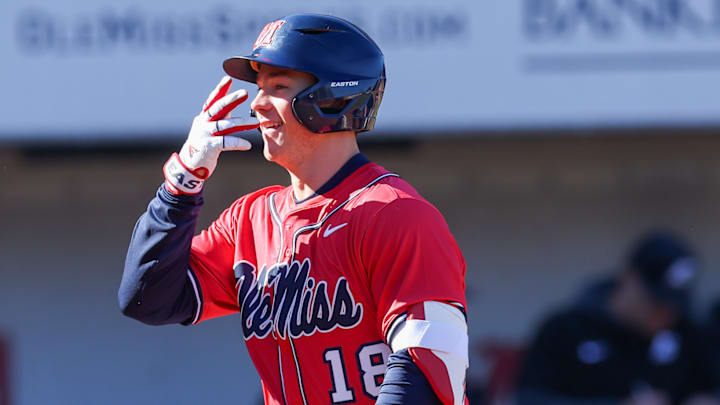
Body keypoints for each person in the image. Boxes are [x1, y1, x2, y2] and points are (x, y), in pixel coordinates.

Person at [118, 14, 469, 405]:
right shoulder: (248, 221)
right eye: (259, 87)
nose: (257, 103)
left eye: (278, 86)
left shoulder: (395, 214)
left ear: (333, 97)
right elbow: (146, 299)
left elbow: (429, 363)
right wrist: (181, 182)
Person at [515, 231, 720, 405]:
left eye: (674, 304)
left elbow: (707, 386)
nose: (666, 312)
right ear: (630, 280)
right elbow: (527, 399)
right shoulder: (566, 330)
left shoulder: (688, 333)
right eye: (657, 302)